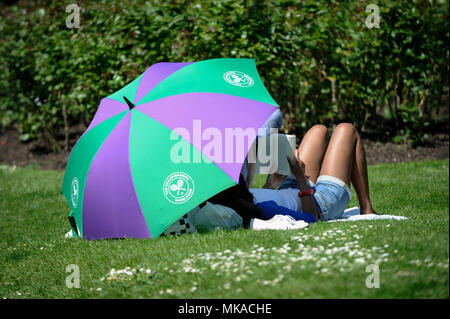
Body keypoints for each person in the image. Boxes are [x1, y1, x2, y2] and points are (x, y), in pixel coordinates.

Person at [249, 123, 377, 222]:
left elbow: (257, 201)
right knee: (347, 129)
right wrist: (299, 175)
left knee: (318, 130)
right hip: (318, 204)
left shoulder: (236, 196)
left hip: (289, 188)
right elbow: (311, 216)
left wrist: (270, 185)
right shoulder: (249, 210)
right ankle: (366, 209)